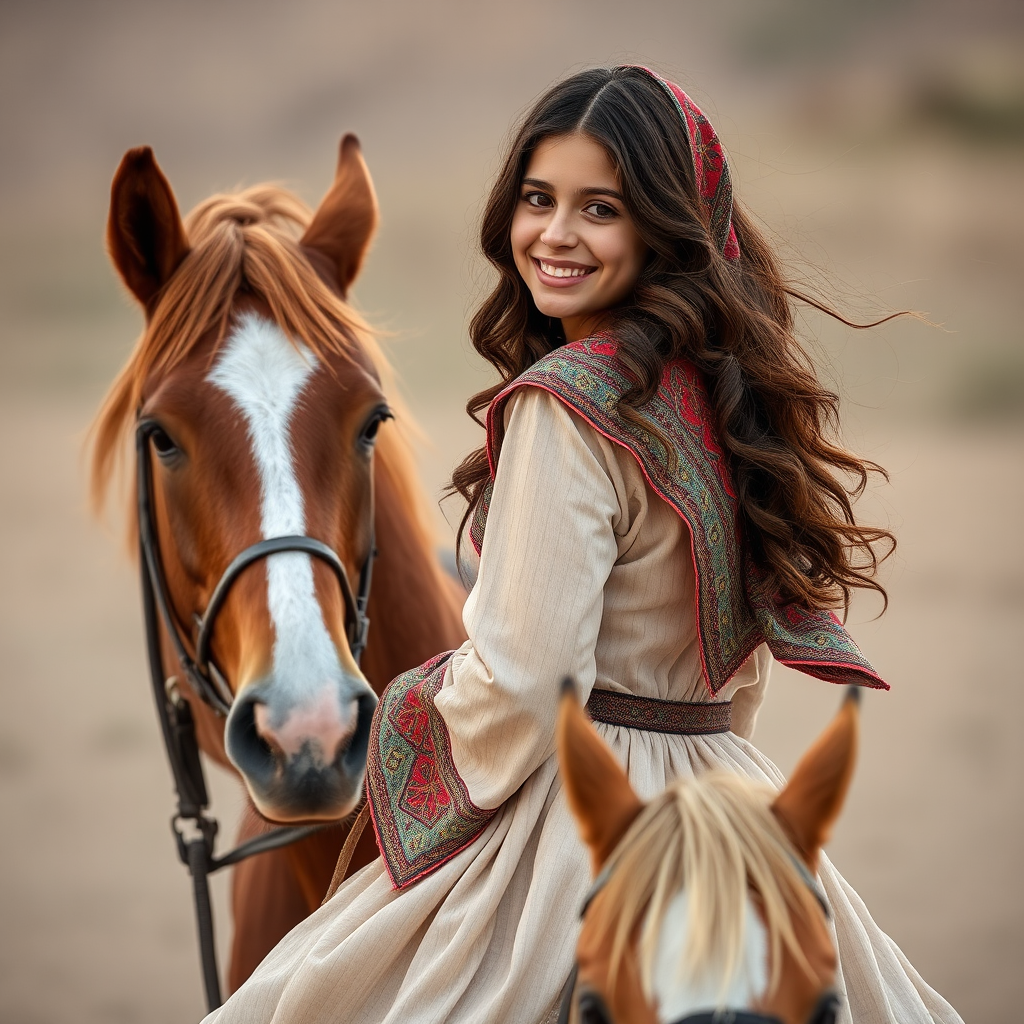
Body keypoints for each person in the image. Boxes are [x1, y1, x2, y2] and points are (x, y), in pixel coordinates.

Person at [205, 65, 961, 1024]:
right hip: (724, 788)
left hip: (573, 814)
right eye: (537, 199)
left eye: (598, 208)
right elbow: (742, 679)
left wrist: (411, 723)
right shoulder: (719, 397)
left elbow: (527, 685)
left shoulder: (568, 406)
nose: (555, 234)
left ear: (662, 224)